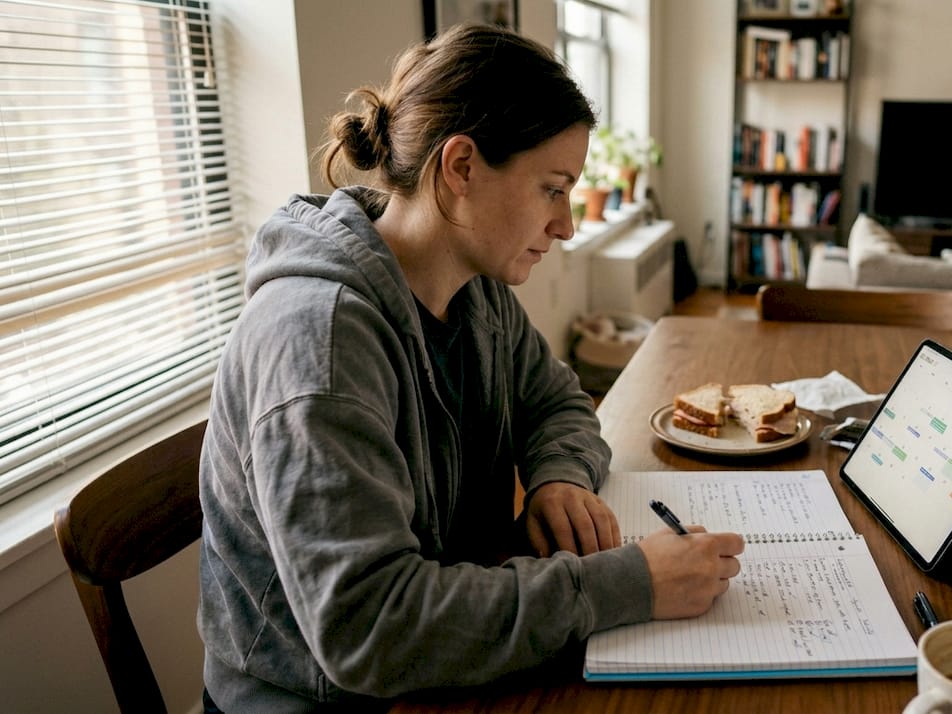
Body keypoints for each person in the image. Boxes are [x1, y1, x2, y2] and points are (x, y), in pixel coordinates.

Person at [197, 24, 744, 712]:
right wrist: (628, 584)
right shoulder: (321, 341)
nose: (568, 223)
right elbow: (370, 629)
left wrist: (558, 478)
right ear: (461, 169)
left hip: (449, 642)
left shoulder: (472, 285)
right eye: (552, 189)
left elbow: (557, 402)